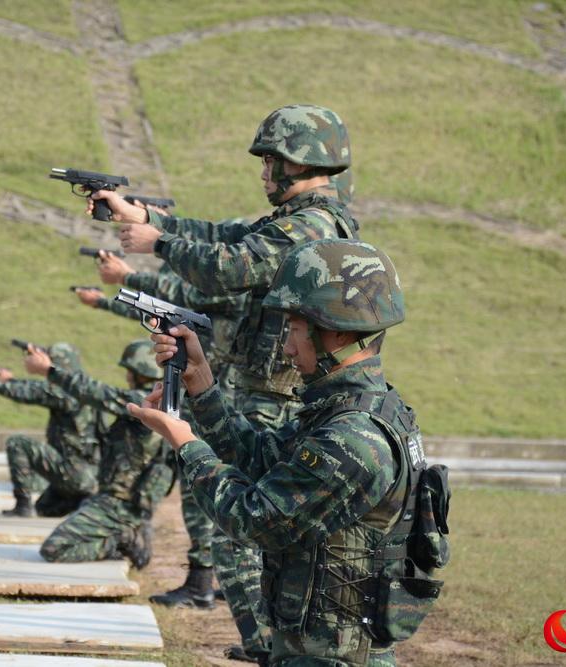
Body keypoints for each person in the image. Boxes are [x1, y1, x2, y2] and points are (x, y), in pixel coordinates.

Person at [86, 104, 360, 663]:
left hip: (276, 398)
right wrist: (143, 215)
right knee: (248, 531)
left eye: (268, 162)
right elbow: (224, 235)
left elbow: (231, 267)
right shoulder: (298, 220)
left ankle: (268, 650)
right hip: (268, 392)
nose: (262, 174)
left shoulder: (309, 227)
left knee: (236, 533)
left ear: (296, 163)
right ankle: (272, 646)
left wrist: (158, 243)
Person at [129, 239, 436, 666]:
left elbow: (253, 519)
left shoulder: (353, 438)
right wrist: (201, 383)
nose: (287, 348)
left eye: (293, 330)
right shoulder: (348, 411)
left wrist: (186, 444)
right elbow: (262, 459)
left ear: (337, 332)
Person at [75, 252, 249, 609]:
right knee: (203, 492)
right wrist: (107, 300)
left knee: (203, 490)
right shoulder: (214, 296)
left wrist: (130, 275)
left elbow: (183, 297)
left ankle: (203, 583)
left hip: (216, 399)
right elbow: (162, 306)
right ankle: (210, 580)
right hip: (208, 394)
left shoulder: (223, 291)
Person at [23, 339, 171, 569]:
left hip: (119, 503)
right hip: (116, 496)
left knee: (54, 549)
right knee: (47, 506)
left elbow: (93, 392)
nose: (127, 376)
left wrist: (49, 370)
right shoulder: (158, 401)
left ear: (140, 373)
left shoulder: (144, 403)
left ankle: (122, 537)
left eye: (129, 371)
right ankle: (126, 528)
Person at [0, 343, 99, 517]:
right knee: (44, 508)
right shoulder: (84, 388)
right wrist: (10, 382)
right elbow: (38, 388)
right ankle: (82, 500)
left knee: (17, 443)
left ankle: (23, 505)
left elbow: (34, 392)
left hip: (74, 472)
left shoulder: (65, 392)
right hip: (88, 475)